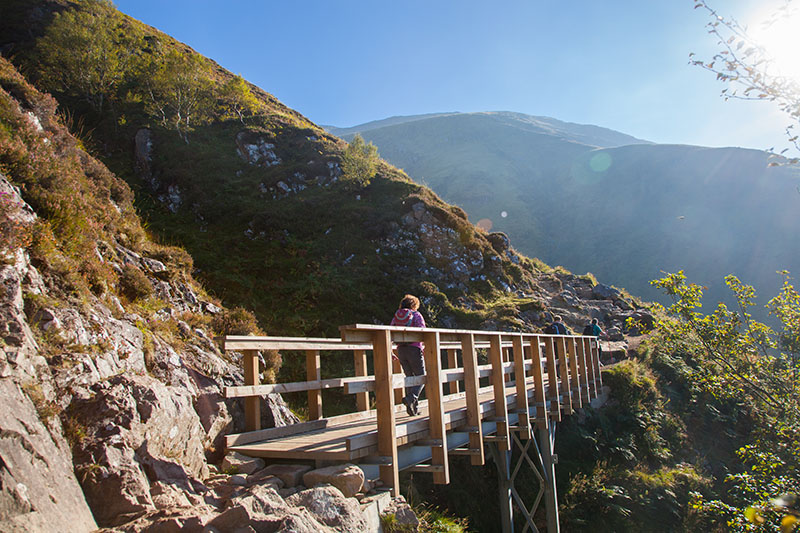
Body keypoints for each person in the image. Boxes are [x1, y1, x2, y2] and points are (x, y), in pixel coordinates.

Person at [391, 294, 426, 416]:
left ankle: (412, 410)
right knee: (422, 377)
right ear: (414, 305)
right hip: (414, 348)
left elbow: (390, 331)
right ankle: (411, 398)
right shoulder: (416, 315)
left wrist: (390, 351)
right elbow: (423, 331)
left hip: (401, 349)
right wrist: (425, 347)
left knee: (409, 378)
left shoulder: (397, 315)